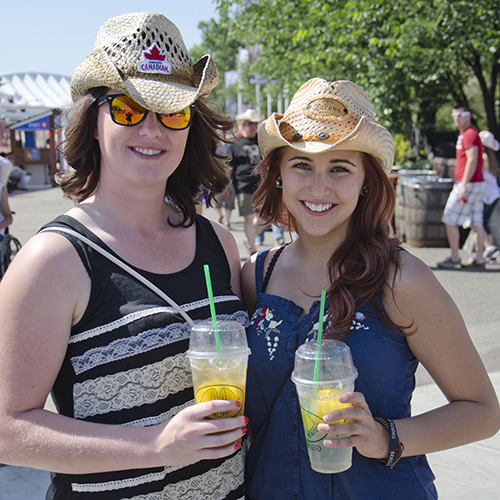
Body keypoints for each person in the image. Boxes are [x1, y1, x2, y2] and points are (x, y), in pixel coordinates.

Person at [0, 13, 249, 500]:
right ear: (93, 121)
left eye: (173, 112)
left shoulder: (218, 242)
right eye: (130, 109)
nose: (153, 129)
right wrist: (156, 446)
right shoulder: (53, 260)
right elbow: (8, 430)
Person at [240, 78, 500, 499]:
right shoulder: (256, 276)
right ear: (280, 176)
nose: (318, 187)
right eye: (302, 164)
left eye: (340, 168)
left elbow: (482, 413)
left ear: (365, 180)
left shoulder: (402, 280)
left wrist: (386, 437)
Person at [438, 105, 486, 269]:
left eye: (459, 116)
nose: (456, 119)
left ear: (468, 116)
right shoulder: (467, 134)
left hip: (468, 184)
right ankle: (479, 259)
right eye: (454, 116)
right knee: (477, 222)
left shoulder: (470, 134)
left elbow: (472, 160)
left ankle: (454, 257)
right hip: (476, 184)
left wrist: (463, 184)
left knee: (449, 218)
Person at [229, 109, 262, 255]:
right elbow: (229, 166)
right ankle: (253, 249)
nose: (252, 126)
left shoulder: (262, 141)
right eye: (249, 123)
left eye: (255, 123)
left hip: (261, 186)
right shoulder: (236, 143)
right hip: (243, 186)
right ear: (243, 125)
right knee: (249, 218)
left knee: (265, 218)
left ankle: (250, 239)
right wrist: (227, 187)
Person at [478, 130, 500, 262]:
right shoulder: (491, 157)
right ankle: (490, 250)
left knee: (479, 222)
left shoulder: (482, 158)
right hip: (493, 194)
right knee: (485, 223)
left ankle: (489, 247)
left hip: (485, 195)